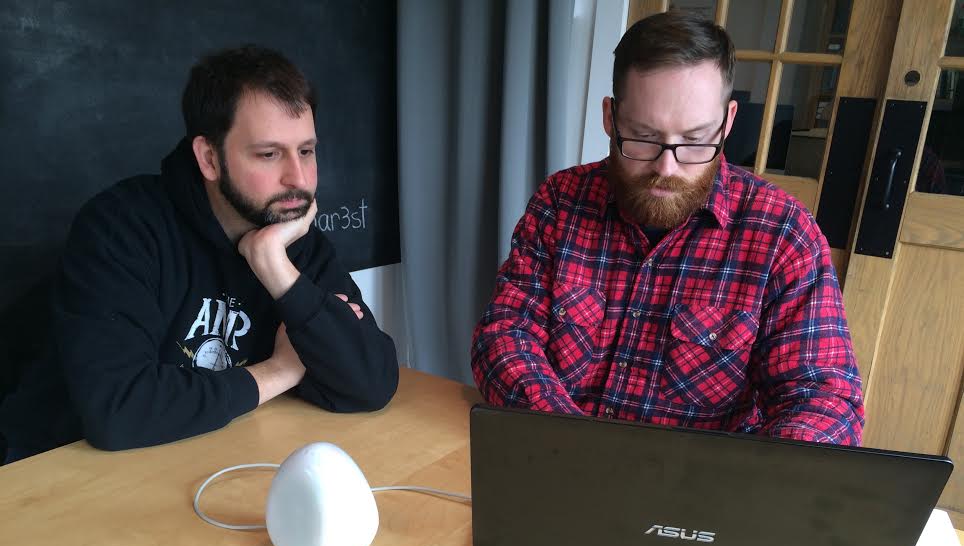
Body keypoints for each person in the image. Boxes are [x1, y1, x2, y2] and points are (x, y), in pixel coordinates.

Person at [471, 11, 864, 445]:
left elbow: (825, 401)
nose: (666, 167)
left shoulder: (783, 234)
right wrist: (573, 440)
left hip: (702, 480)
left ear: (728, 122)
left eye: (694, 141)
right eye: (643, 137)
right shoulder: (561, 201)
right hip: (556, 452)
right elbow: (505, 334)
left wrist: (750, 475)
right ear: (611, 117)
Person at [0, 45, 398, 463]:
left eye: (306, 151)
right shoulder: (122, 228)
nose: (298, 178)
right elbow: (118, 410)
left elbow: (371, 383)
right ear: (209, 159)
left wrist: (276, 268)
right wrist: (278, 372)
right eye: (269, 154)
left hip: (205, 457)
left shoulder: (294, 243)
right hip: (60, 472)